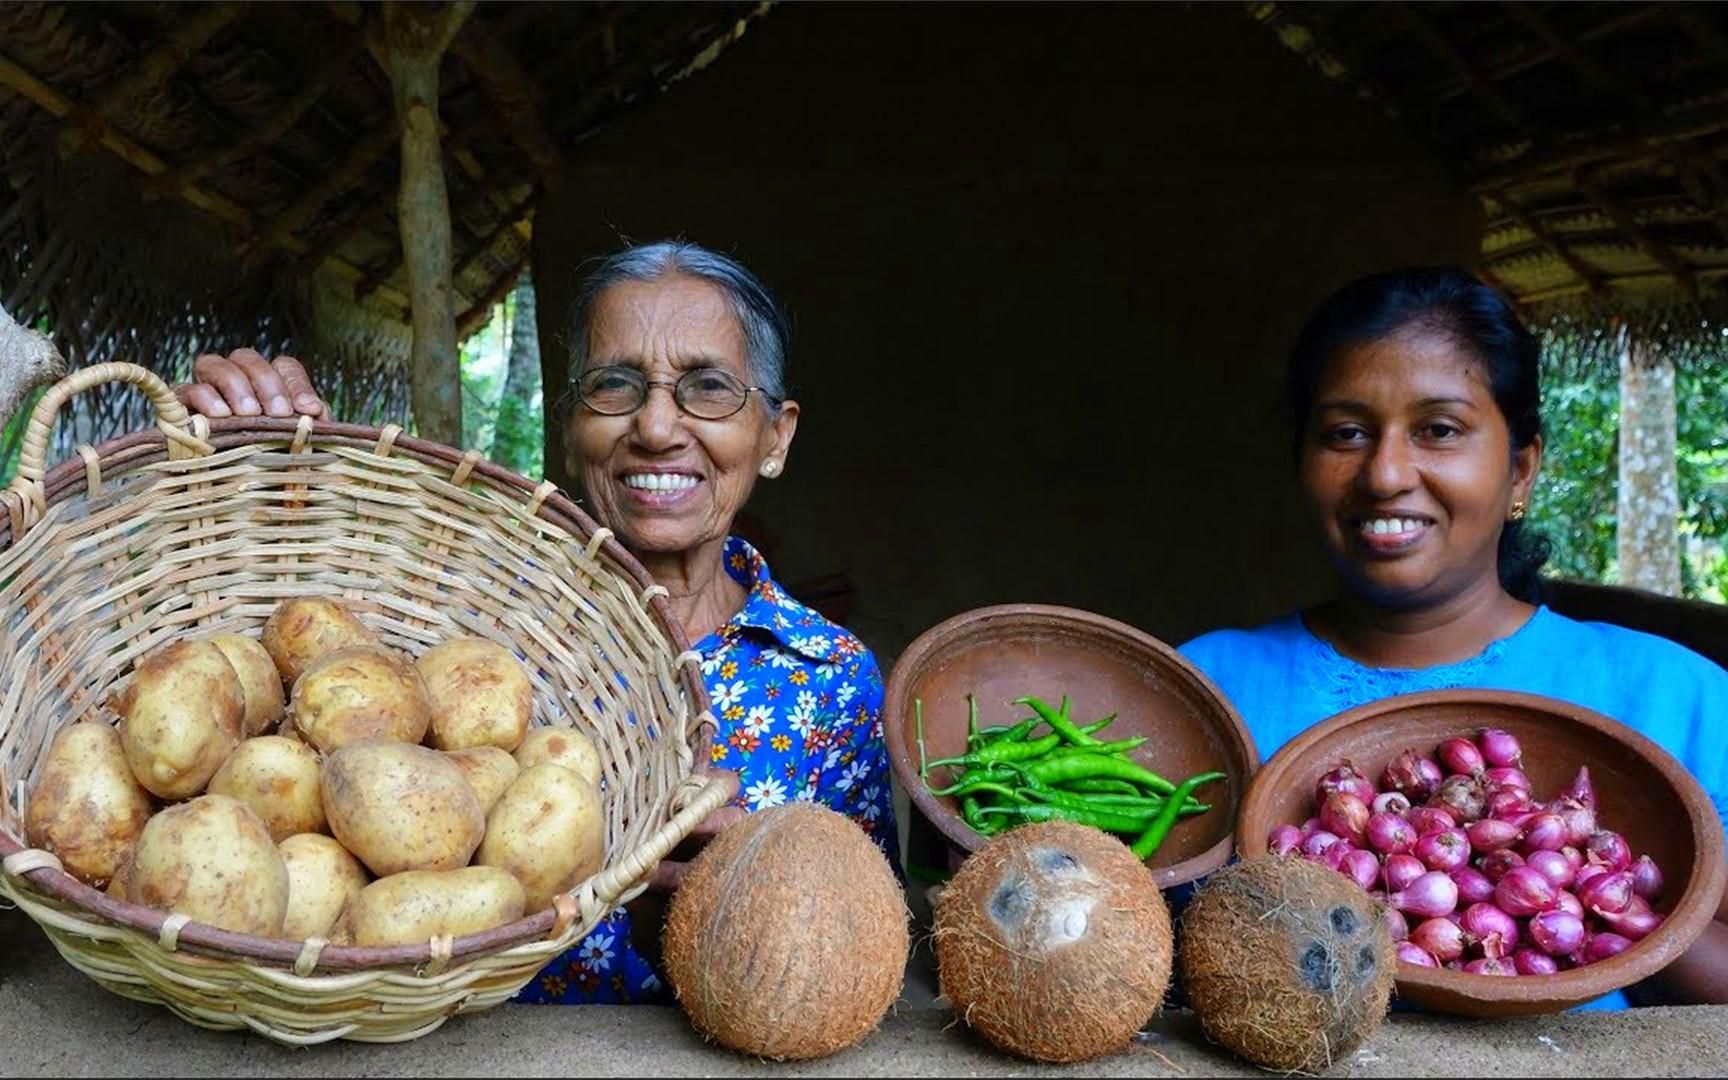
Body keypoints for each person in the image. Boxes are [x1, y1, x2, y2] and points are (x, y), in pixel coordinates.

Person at [177, 240, 899, 1004]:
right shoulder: (459, 615)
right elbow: (309, 654)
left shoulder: (829, 679)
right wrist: (271, 468)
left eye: (708, 388)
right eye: (615, 386)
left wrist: (712, 914)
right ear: (570, 422)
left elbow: (861, 956)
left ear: (775, 436)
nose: (655, 426)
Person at [1178, 267, 1728, 1008]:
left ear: (1521, 470)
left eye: (1439, 430)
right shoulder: (1205, 686)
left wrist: (1604, 896)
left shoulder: (1675, 697)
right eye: (1345, 433)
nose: (1385, 473)